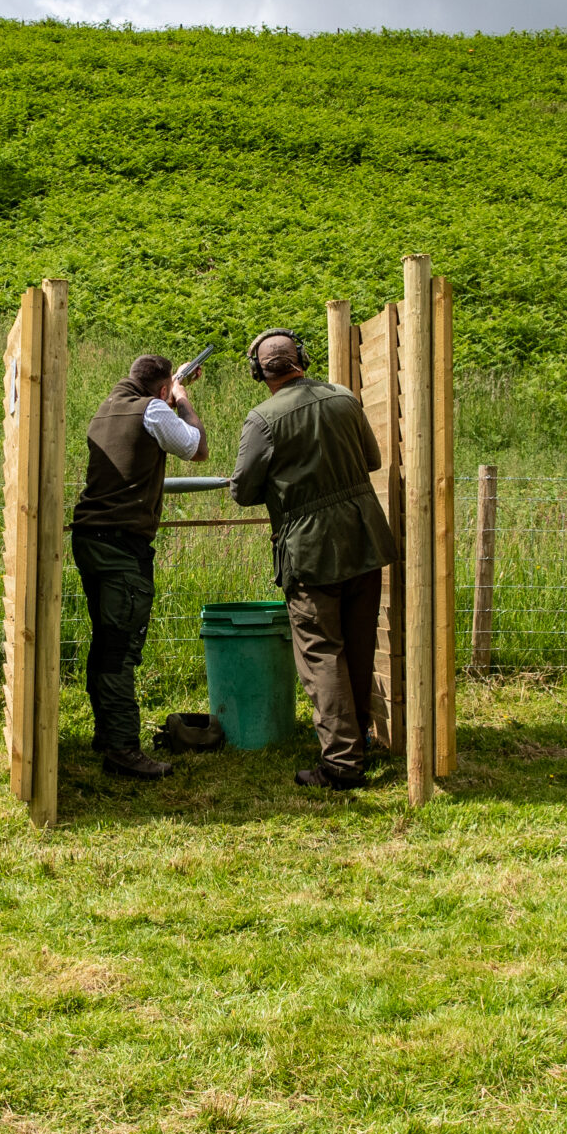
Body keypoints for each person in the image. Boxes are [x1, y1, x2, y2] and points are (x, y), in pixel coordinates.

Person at [228, 327, 396, 790]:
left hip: (310, 549)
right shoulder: (344, 397)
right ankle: (355, 739)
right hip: (364, 538)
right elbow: (373, 458)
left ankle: (342, 764)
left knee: (322, 651)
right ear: (302, 358)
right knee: (359, 646)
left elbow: (242, 492)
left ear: (259, 372)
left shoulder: (262, 419)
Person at [70, 353, 208, 779]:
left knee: (106, 641)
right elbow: (196, 448)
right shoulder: (153, 408)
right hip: (120, 546)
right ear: (162, 388)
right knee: (120, 648)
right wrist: (183, 401)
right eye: (168, 389)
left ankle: (106, 735)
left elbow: (147, 425)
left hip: (91, 540)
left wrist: (170, 393)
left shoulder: (107, 408)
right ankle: (123, 749)